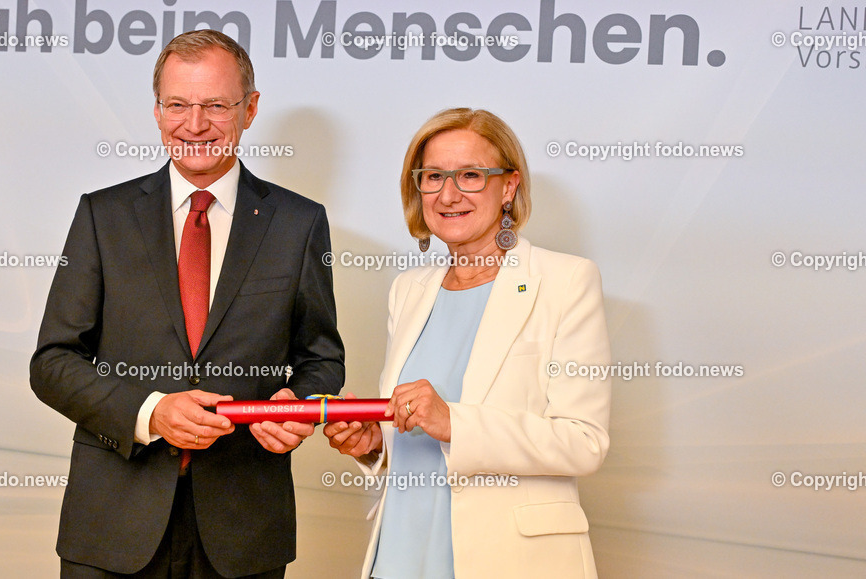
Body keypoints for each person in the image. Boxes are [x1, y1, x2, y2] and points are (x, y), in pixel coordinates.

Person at [30, 29, 344, 578]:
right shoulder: (103, 216)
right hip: (111, 527)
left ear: (249, 109)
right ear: (156, 111)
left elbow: (322, 359)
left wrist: (300, 402)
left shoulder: (299, 223)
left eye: (216, 105)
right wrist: (151, 412)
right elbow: (53, 363)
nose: (194, 124)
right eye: (177, 104)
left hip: (244, 529)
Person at [323, 108, 610, 578]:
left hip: (505, 561)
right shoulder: (409, 289)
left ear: (509, 186)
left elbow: (584, 440)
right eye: (433, 176)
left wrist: (454, 421)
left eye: (471, 175)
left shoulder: (566, 281)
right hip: (398, 555)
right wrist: (374, 445)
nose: (448, 194)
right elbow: (414, 439)